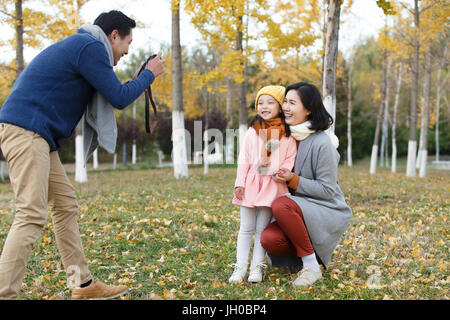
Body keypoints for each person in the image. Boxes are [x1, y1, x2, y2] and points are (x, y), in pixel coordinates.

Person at [0, 10, 165, 300]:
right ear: (113, 35)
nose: (127, 51)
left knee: (65, 205)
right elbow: (120, 97)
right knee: (30, 214)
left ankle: (83, 284)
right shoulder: (89, 47)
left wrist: (139, 78)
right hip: (26, 131)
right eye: (128, 42)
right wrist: (150, 74)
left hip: (37, 134)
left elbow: (115, 88)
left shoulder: (85, 48)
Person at [260, 82, 352, 287]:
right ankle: (305, 256)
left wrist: (292, 179)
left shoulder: (322, 142)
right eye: (285, 101)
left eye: (292, 103)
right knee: (269, 239)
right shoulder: (284, 136)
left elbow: (328, 190)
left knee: (281, 204)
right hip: (294, 211)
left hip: (323, 207)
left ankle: (311, 266)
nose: (286, 107)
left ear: (308, 109)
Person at [229, 85, 298, 283]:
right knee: (245, 228)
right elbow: (244, 158)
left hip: (273, 186)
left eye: (270, 102)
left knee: (261, 229)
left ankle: (256, 267)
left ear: (280, 106)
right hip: (251, 183)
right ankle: (240, 267)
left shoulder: (287, 134)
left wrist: (283, 171)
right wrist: (239, 183)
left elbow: (289, 158)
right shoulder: (253, 131)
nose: (264, 106)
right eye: (260, 102)